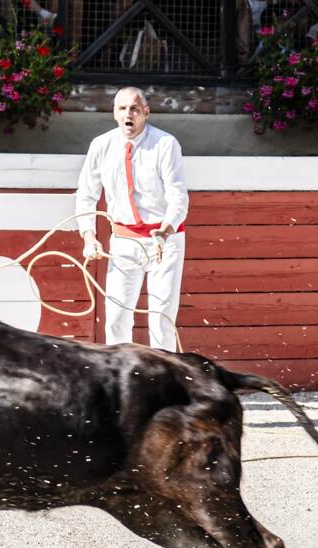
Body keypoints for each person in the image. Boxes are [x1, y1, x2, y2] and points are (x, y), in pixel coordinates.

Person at [75, 86, 189, 351]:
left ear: (146, 113)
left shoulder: (165, 144)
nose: (129, 114)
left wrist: (166, 228)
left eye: (135, 109)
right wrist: (88, 236)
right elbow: (86, 195)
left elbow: (178, 195)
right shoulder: (101, 145)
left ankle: (166, 382)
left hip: (164, 240)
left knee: (161, 317)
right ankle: (122, 381)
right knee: (116, 317)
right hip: (124, 241)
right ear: (115, 113)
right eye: (123, 108)